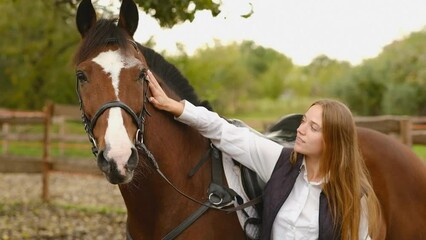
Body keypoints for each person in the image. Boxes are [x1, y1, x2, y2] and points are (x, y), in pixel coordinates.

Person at [146, 70, 382, 240]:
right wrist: (176, 107)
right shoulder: (279, 162)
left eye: (313, 127)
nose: (300, 130)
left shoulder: (351, 194)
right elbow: (223, 131)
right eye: (303, 121)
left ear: (334, 141)